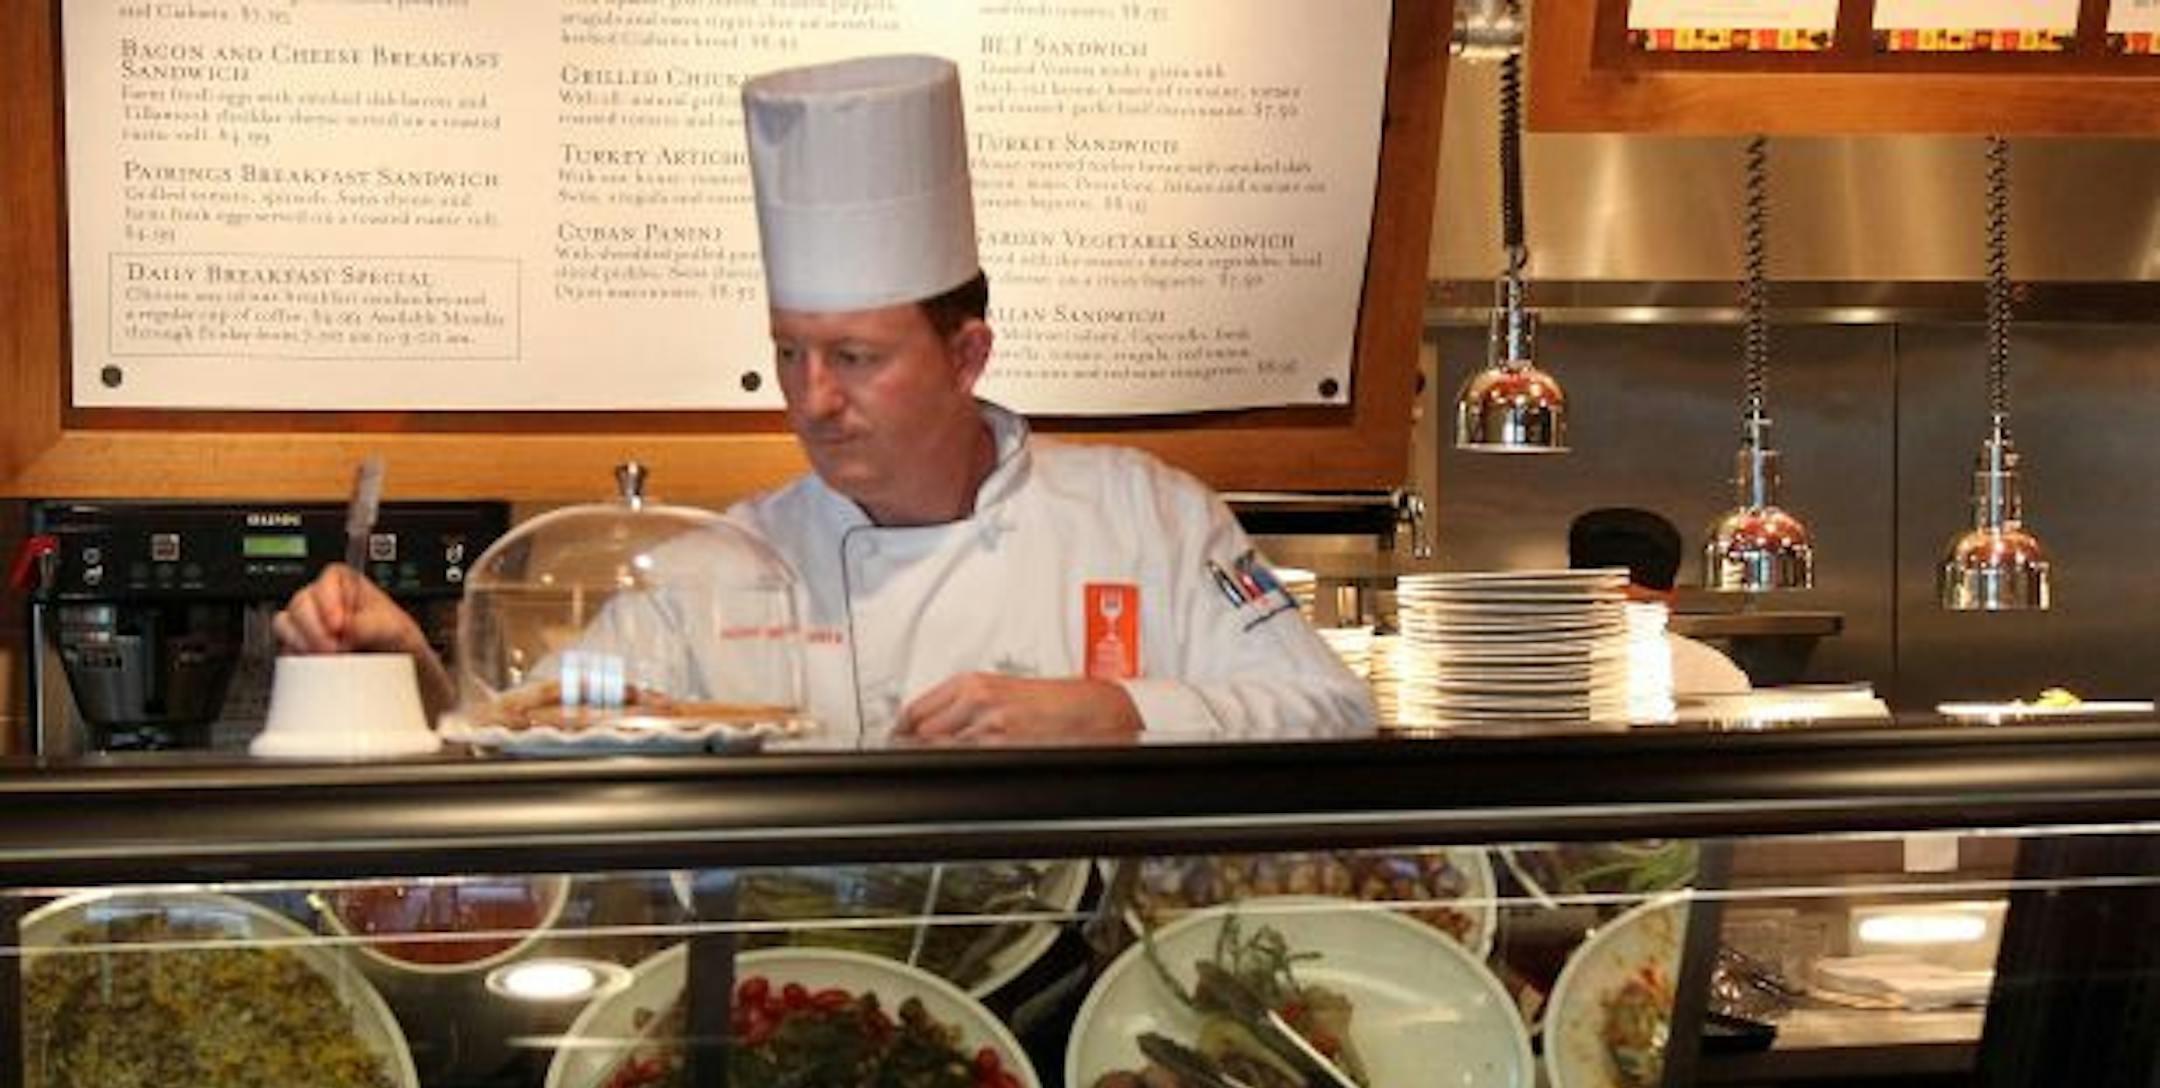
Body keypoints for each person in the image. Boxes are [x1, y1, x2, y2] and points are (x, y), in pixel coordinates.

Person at [278, 55, 1371, 746]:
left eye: (855, 355)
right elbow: (540, 735)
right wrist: (408, 672)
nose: (814, 398)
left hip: (1086, 987)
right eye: (790, 352)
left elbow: (1333, 711)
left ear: (967, 353)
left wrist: (1121, 710)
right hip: (800, 984)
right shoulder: (722, 561)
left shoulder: (1148, 516)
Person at [1567, 507, 1752, 696]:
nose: (1624, 622)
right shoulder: (1545, 669)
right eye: (1606, 605)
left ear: (1671, 601)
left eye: (1642, 607)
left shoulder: (1712, 675)